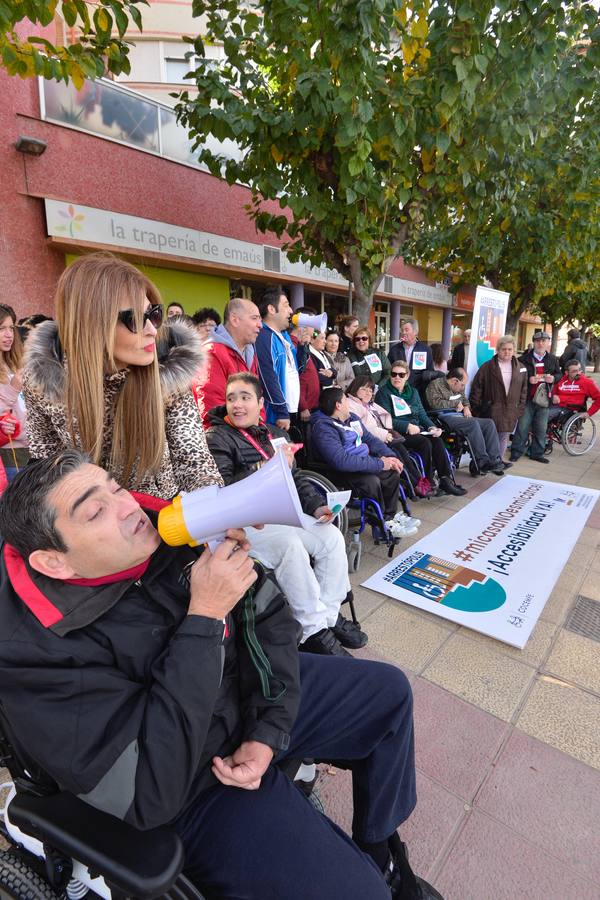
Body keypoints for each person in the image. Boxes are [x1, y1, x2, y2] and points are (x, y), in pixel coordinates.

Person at [0, 451, 445, 900]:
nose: (128, 506)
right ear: (55, 562)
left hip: (241, 698)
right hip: (192, 783)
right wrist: (206, 616)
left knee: (387, 695)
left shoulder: (164, 533)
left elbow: (270, 621)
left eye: (115, 487)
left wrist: (268, 729)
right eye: (96, 511)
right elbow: (149, 790)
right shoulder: (31, 655)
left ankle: (378, 849)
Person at [23, 253, 222, 497]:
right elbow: (47, 471)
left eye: (154, 314)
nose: (152, 330)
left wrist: (217, 514)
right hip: (93, 522)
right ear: (92, 325)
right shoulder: (45, 382)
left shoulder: (168, 372)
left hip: (162, 517)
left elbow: (194, 462)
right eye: (135, 319)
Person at [206, 372, 366, 655]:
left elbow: (297, 478)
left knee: (330, 537)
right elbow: (225, 490)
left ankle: (327, 617)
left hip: (283, 513)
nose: (237, 405)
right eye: (231, 398)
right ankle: (312, 631)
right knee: (290, 546)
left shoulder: (275, 434)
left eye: (245, 398)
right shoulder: (218, 437)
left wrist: (317, 505)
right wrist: (268, 469)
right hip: (247, 522)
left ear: (260, 402)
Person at [310, 386, 407, 531]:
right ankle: (378, 525)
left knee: (392, 472)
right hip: (338, 470)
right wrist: (379, 464)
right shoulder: (323, 428)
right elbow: (341, 461)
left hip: (361, 461)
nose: (349, 403)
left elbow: (371, 440)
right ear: (338, 405)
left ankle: (389, 518)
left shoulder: (352, 418)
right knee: (371, 481)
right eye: (346, 400)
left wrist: (390, 457)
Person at [377, 363, 466, 497]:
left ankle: (445, 479)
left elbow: (422, 414)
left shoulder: (413, 392)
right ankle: (428, 482)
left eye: (401, 375)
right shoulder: (383, 393)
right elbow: (386, 420)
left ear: (407, 376)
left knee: (437, 440)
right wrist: (406, 426)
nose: (397, 378)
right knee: (424, 443)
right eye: (394, 374)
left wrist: (432, 427)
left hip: (417, 429)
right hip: (398, 432)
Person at [346, 376, 423, 523]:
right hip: (370, 442)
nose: (368, 393)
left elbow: (382, 418)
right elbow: (364, 430)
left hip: (382, 435)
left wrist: (387, 431)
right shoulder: (351, 405)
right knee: (397, 454)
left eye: (370, 390)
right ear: (355, 388)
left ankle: (415, 482)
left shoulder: (367, 404)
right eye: (364, 389)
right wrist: (384, 434)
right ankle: (413, 484)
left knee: (401, 451)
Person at [195, 297, 262, 426]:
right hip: (224, 440)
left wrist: (258, 429)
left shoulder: (249, 353)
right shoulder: (212, 352)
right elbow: (212, 411)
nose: (260, 324)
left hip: (244, 435)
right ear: (235, 320)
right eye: (254, 318)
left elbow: (257, 399)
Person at [425, 368, 506, 475]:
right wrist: (454, 403)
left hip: (459, 415)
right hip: (443, 416)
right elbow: (434, 404)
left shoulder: (458, 387)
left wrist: (466, 407)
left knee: (489, 423)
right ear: (455, 381)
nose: (463, 387)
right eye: (462, 385)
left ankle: (494, 460)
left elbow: (464, 400)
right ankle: (482, 460)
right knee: (473, 424)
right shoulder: (435, 385)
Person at [256, 288, 308, 429]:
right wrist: (281, 412)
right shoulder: (264, 337)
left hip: (290, 410)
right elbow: (267, 377)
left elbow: (298, 370)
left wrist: (303, 347)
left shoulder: (284, 336)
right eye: (286, 305)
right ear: (272, 309)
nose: (291, 311)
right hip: (275, 415)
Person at [469, 335, 528, 458]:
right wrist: (477, 408)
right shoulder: (487, 367)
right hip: (491, 409)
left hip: (510, 410)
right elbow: (477, 389)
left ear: (514, 350)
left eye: (510, 349)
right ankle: (484, 463)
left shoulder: (521, 368)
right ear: (498, 350)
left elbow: (524, 390)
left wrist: (519, 409)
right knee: (489, 437)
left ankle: (497, 462)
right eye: (504, 349)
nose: (507, 352)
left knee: (504, 437)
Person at [509, 331, 562, 464]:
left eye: (544, 341)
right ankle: (516, 452)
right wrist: (528, 379)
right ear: (534, 342)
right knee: (522, 427)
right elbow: (515, 378)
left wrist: (553, 378)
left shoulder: (553, 359)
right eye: (538, 341)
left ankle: (537, 453)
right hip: (527, 398)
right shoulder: (523, 359)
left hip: (544, 399)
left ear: (547, 343)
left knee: (541, 428)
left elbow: (559, 374)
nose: (541, 343)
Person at [0, 303, 29, 481]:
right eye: (1, 328)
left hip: (32, 447)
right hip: (10, 453)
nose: (9, 334)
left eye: (11, 328)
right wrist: (13, 388)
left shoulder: (14, 363)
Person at [387, 319, 434, 391]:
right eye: (402, 330)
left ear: (415, 332)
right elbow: (388, 370)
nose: (403, 332)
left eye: (406, 330)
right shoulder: (394, 349)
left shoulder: (425, 349)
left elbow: (430, 371)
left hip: (418, 391)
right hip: (397, 390)